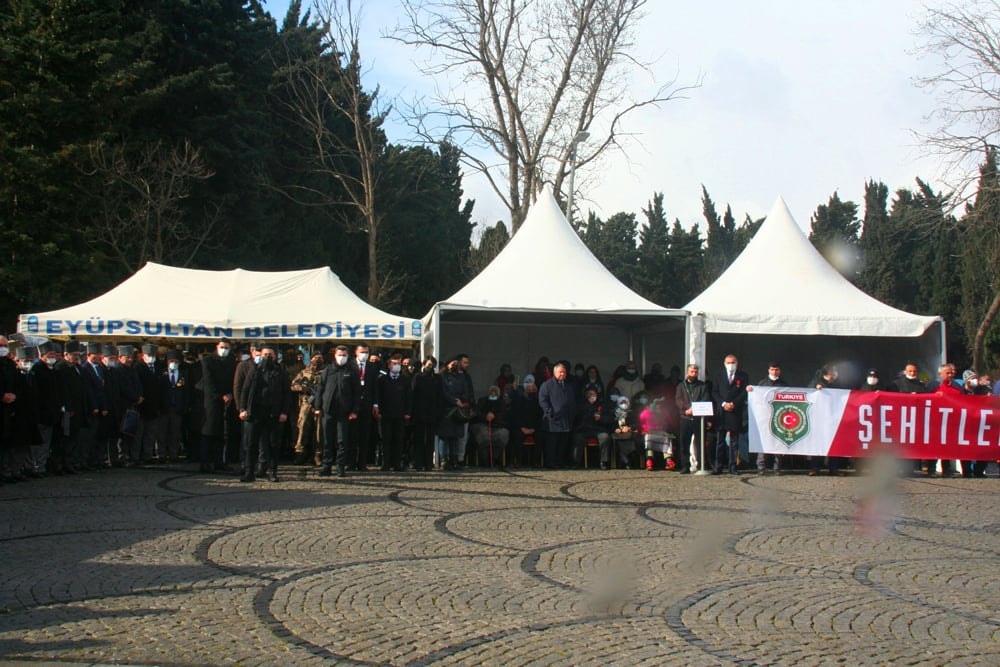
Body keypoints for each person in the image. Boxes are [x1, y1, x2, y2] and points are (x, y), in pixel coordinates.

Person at [239, 343, 292, 482]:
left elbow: (287, 393)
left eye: (271, 355)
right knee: (251, 444)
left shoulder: (281, 372)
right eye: (265, 355)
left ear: (275, 356)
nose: (268, 358)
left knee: (273, 445)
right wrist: (242, 408)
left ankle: (272, 472)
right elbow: (245, 390)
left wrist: (284, 412)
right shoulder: (255, 370)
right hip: (255, 413)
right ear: (260, 356)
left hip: (273, 414)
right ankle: (249, 472)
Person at [313, 344, 360, 477]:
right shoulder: (328, 370)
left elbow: (357, 393)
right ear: (335, 355)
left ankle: (340, 467)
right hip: (327, 411)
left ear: (348, 356)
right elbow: (320, 389)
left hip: (344, 412)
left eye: (344, 355)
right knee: (327, 440)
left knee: (341, 441)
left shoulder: (352, 370)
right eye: (339, 355)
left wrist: (354, 410)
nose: (342, 358)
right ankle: (326, 466)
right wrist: (317, 407)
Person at [200, 338, 236, 473]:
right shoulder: (208, 360)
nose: (224, 350)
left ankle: (219, 462)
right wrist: (220, 395)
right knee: (208, 432)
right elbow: (208, 382)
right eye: (222, 347)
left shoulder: (231, 361)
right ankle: (205, 462)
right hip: (211, 401)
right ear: (217, 347)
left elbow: (233, 380)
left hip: (227, 401)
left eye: (227, 347)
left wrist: (230, 394)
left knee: (222, 433)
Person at [747, 362, 789, 475]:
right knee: (762, 442)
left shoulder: (784, 384)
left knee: (778, 442)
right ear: (768, 370)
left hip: (779, 417)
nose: (774, 372)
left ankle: (777, 467)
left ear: (779, 371)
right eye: (772, 369)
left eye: (776, 369)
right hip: (764, 417)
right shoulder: (762, 383)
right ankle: (761, 467)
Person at [374, 353, 411, 471]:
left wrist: (407, 412)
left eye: (399, 364)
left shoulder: (405, 380)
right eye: (394, 364)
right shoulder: (382, 379)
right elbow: (378, 396)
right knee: (386, 440)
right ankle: (386, 463)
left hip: (400, 414)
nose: (397, 366)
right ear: (389, 365)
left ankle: (397, 463)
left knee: (399, 440)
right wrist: (378, 409)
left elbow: (409, 397)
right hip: (385, 414)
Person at [925, 363, 964, 478]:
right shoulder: (933, 386)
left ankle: (946, 468)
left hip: (951, 421)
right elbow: (925, 400)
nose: (950, 375)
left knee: (947, 446)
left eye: (951, 372)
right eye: (947, 373)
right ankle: (931, 468)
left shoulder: (958, 387)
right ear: (940, 374)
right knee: (934, 445)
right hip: (935, 421)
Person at [712, 354, 748, 475]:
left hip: (735, 411)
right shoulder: (718, 376)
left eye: (733, 362)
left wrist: (734, 403)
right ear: (724, 363)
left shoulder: (743, 376)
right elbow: (715, 392)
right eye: (728, 362)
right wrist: (723, 403)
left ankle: (732, 466)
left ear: (737, 363)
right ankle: (718, 466)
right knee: (720, 441)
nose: (731, 365)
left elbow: (744, 392)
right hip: (721, 412)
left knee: (734, 442)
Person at [538, 361, 577, 468]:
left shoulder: (568, 386)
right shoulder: (547, 385)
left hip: (566, 420)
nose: (562, 374)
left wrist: (572, 414)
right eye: (560, 372)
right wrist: (550, 413)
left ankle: (560, 462)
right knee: (552, 444)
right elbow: (542, 400)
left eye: (564, 372)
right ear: (555, 372)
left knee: (563, 443)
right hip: (552, 421)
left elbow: (572, 400)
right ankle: (551, 463)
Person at [437, 356, 473, 470]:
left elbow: (466, 391)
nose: (454, 365)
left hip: (458, 411)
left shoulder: (462, 377)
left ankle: (455, 460)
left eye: (456, 363)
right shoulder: (442, 377)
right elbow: (443, 392)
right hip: (446, 410)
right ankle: (444, 460)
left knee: (455, 437)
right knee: (444, 437)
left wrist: (461, 401)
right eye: (452, 363)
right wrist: (454, 401)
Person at [674, 363, 711, 474]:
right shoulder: (681, 386)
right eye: (692, 372)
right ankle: (685, 466)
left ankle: (701, 465)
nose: (694, 374)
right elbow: (678, 399)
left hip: (699, 418)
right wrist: (686, 409)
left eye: (695, 372)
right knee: (684, 442)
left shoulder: (702, 386)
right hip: (685, 417)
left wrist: (694, 409)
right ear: (687, 372)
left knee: (700, 443)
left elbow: (705, 398)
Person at [290, 353, 325, 466]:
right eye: (315, 358)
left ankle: (317, 454)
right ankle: (300, 453)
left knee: (319, 430)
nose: (317, 360)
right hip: (306, 403)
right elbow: (293, 385)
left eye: (320, 358)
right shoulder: (304, 372)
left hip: (320, 404)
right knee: (302, 427)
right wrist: (302, 388)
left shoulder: (326, 372)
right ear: (310, 359)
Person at [809, 364, 843, 476]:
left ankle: (834, 468)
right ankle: (815, 468)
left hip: (834, 418)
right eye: (832, 373)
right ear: (827, 373)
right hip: (819, 418)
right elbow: (808, 394)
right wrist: (816, 389)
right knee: (818, 444)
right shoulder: (816, 382)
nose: (834, 375)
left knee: (834, 443)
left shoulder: (837, 385)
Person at [410, 356, 442, 471]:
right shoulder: (418, 377)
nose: (431, 366)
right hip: (419, 412)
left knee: (430, 439)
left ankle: (429, 463)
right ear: (424, 364)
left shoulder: (437, 378)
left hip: (432, 412)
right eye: (429, 364)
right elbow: (413, 394)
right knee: (418, 438)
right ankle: (418, 462)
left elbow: (440, 395)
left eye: (433, 364)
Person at [573, 387, 614, 468]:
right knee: (578, 438)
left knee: (605, 437)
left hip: (599, 429)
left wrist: (600, 418)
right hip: (584, 429)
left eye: (593, 394)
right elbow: (577, 418)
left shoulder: (602, 404)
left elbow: (609, 419)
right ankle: (576, 462)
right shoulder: (581, 404)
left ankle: (603, 461)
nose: (591, 396)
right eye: (589, 394)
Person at [136, 342, 163, 464]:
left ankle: (147, 455)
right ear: (143, 355)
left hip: (154, 406)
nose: (151, 357)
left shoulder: (158, 367)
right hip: (141, 406)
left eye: (153, 354)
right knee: (139, 434)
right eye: (148, 354)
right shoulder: (138, 367)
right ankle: (137, 456)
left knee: (150, 433)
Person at [508, 374, 543, 467]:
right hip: (521, 427)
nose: (531, 391)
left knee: (540, 437)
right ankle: (518, 461)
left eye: (533, 390)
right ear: (525, 391)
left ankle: (536, 461)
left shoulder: (538, 402)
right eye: (529, 390)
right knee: (517, 437)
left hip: (533, 427)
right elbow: (515, 416)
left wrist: (534, 428)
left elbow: (540, 417)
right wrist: (522, 427)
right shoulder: (519, 400)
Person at [470, 385, 509, 467]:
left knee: (502, 436)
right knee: (484, 437)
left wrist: (494, 416)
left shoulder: (501, 402)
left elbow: (504, 414)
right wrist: (486, 416)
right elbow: (477, 412)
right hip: (482, 423)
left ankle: (494, 459)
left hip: (498, 425)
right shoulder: (482, 401)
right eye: (491, 392)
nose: (493, 394)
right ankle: (484, 460)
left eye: (495, 392)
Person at [351, 344, 377, 470]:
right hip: (352, 406)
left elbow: (375, 388)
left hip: (367, 405)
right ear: (356, 352)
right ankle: (350, 463)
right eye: (362, 352)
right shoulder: (350, 366)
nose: (364, 354)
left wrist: (375, 404)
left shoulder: (372, 367)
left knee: (364, 435)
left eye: (366, 352)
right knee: (351, 435)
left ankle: (362, 463)